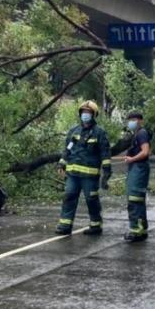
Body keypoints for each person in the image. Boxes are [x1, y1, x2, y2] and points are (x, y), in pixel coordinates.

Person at [55, 100, 111, 236]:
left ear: (93, 114)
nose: (85, 115)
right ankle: (65, 226)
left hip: (90, 177)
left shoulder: (99, 133)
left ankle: (96, 225)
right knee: (69, 196)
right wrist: (62, 163)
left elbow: (105, 153)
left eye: (88, 112)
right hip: (73, 174)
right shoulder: (74, 131)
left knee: (91, 200)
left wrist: (107, 172)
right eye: (83, 112)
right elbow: (67, 149)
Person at [123, 111, 151, 242]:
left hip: (139, 168)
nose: (131, 122)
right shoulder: (137, 134)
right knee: (137, 199)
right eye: (130, 120)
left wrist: (132, 159)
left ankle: (136, 231)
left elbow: (145, 152)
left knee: (135, 199)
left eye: (134, 119)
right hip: (137, 168)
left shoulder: (142, 133)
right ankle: (141, 228)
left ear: (140, 121)